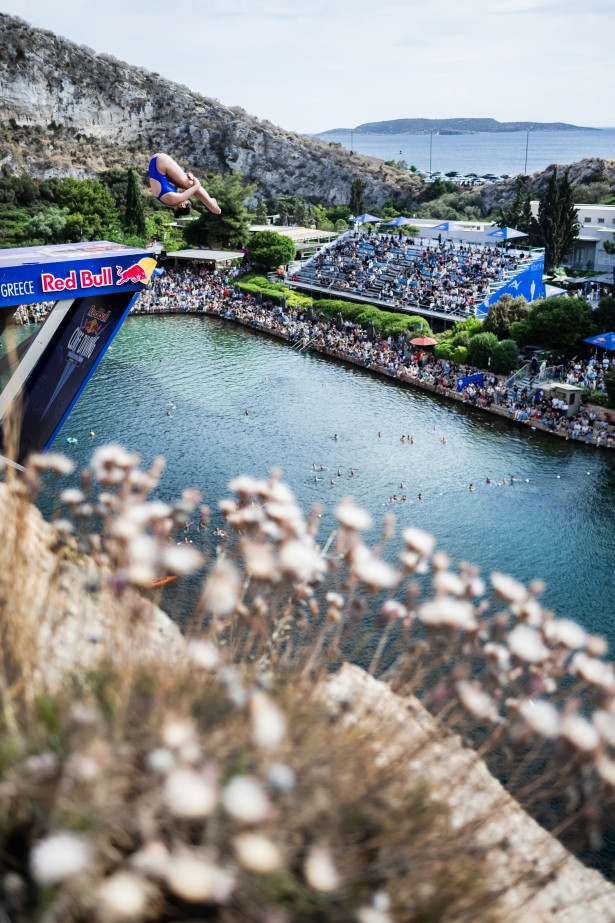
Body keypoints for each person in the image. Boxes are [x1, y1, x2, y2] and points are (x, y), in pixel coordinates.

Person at [148, 153, 221, 216]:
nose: (186, 198)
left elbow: (196, 186)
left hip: (161, 162)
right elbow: (176, 184)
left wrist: (193, 178)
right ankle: (209, 203)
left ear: (182, 205)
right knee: (185, 184)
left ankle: (210, 203)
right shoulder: (169, 203)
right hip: (157, 164)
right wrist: (187, 176)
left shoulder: (175, 199)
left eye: (186, 200)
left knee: (189, 185)